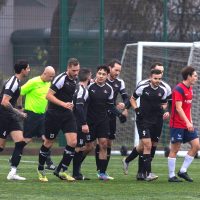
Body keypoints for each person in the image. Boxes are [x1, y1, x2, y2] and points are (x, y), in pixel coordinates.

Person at [122, 62, 171, 180]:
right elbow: (132, 99)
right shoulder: (142, 86)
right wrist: (134, 109)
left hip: (157, 120)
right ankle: (146, 173)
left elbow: (166, 102)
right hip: (143, 120)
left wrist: (165, 110)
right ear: (151, 75)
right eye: (156, 77)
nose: (158, 79)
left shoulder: (165, 88)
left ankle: (128, 160)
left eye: (161, 75)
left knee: (147, 146)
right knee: (147, 145)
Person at [37, 58, 80, 182]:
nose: (76, 72)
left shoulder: (75, 79)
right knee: (49, 142)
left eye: (77, 70)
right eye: (73, 70)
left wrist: (69, 104)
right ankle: (40, 170)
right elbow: (48, 96)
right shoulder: (61, 79)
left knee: (73, 142)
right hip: (54, 114)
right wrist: (64, 104)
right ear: (68, 68)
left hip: (67, 115)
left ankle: (62, 171)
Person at [82, 65, 127, 181]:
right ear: (96, 74)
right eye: (99, 73)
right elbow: (83, 103)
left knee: (103, 144)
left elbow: (110, 105)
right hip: (90, 121)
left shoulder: (109, 89)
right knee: (88, 146)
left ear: (107, 76)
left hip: (103, 120)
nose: (101, 76)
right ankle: (76, 167)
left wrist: (119, 115)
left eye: (103, 74)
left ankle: (102, 173)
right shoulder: (89, 86)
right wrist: (83, 121)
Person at [95, 59, 129, 180]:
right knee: (96, 144)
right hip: (99, 115)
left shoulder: (120, 82)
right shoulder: (100, 81)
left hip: (111, 116)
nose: (118, 73)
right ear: (109, 69)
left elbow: (126, 98)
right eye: (116, 70)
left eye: (119, 70)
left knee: (108, 143)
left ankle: (103, 171)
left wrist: (124, 107)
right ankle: (99, 170)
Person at [20, 66, 56, 170]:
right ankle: (15, 156)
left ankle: (49, 163)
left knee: (47, 139)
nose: (51, 79)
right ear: (44, 73)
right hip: (31, 115)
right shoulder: (33, 81)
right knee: (27, 139)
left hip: (42, 116)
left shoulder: (49, 83)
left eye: (53, 77)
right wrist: (19, 107)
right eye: (50, 76)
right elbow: (20, 92)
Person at [0, 60, 30, 180]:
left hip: (10, 117)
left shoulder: (17, 82)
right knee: (1, 147)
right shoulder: (12, 83)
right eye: (28, 68)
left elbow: (16, 96)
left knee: (20, 142)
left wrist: (19, 108)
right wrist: (19, 113)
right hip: (3, 116)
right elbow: (4, 102)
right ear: (22, 70)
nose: (29, 70)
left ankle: (12, 172)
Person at [168, 66, 199, 182]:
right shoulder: (178, 89)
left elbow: (188, 108)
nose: (196, 78)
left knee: (196, 145)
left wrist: (190, 122)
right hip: (177, 124)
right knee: (175, 149)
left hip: (187, 124)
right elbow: (179, 108)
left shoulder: (190, 89)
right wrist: (187, 122)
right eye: (195, 75)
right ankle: (171, 176)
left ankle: (182, 171)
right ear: (189, 76)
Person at [72, 68, 91, 180]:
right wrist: (83, 123)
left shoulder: (77, 87)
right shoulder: (82, 90)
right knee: (78, 147)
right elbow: (79, 106)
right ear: (88, 77)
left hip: (75, 120)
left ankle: (76, 172)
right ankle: (74, 173)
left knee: (80, 147)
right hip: (78, 122)